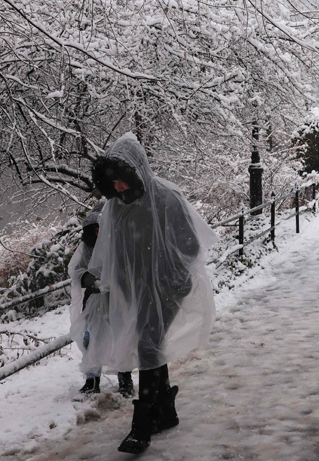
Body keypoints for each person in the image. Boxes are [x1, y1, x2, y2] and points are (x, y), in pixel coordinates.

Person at [83, 133, 217, 453]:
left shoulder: (167, 197)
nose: (117, 189)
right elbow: (109, 247)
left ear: (136, 171)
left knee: (147, 343)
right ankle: (166, 411)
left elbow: (192, 246)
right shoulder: (116, 206)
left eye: (122, 180)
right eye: (112, 183)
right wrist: (100, 275)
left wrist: (162, 272)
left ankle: (141, 426)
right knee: (151, 344)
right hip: (136, 288)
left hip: (169, 286)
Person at [69, 200, 133, 397]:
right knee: (91, 339)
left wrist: (114, 281)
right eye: (94, 228)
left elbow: (128, 266)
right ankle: (92, 380)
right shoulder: (86, 247)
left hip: (118, 298)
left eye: (100, 227)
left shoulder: (117, 241)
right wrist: (92, 281)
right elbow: (77, 270)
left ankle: (125, 379)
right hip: (94, 300)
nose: (97, 232)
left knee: (121, 336)